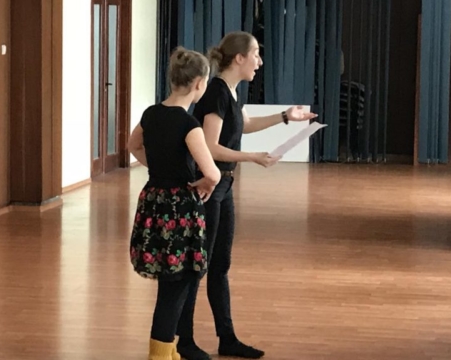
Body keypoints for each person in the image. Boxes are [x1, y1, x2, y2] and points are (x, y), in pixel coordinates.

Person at [176, 31, 317, 360]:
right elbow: (210, 147)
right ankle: (184, 341)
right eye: (255, 54)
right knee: (199, 266)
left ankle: (227, 338)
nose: (259, 61)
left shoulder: (230, 92)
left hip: (224, 187)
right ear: (239, 58)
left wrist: (286, 117)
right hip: (209, 187)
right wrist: (252, 157)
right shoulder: (216, 92)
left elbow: (244, 124)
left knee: (220, 266)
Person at [128, 47, 221, 360]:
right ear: (199, 84)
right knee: (177, 285)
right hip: (179, 208)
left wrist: (158, 167)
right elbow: (212, 173)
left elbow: (133, 145)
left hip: (153, 201)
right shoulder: (189, 124)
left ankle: (167, 350)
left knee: (169, 282)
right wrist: (205, 183)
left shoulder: (151, 114)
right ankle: (160, 353)